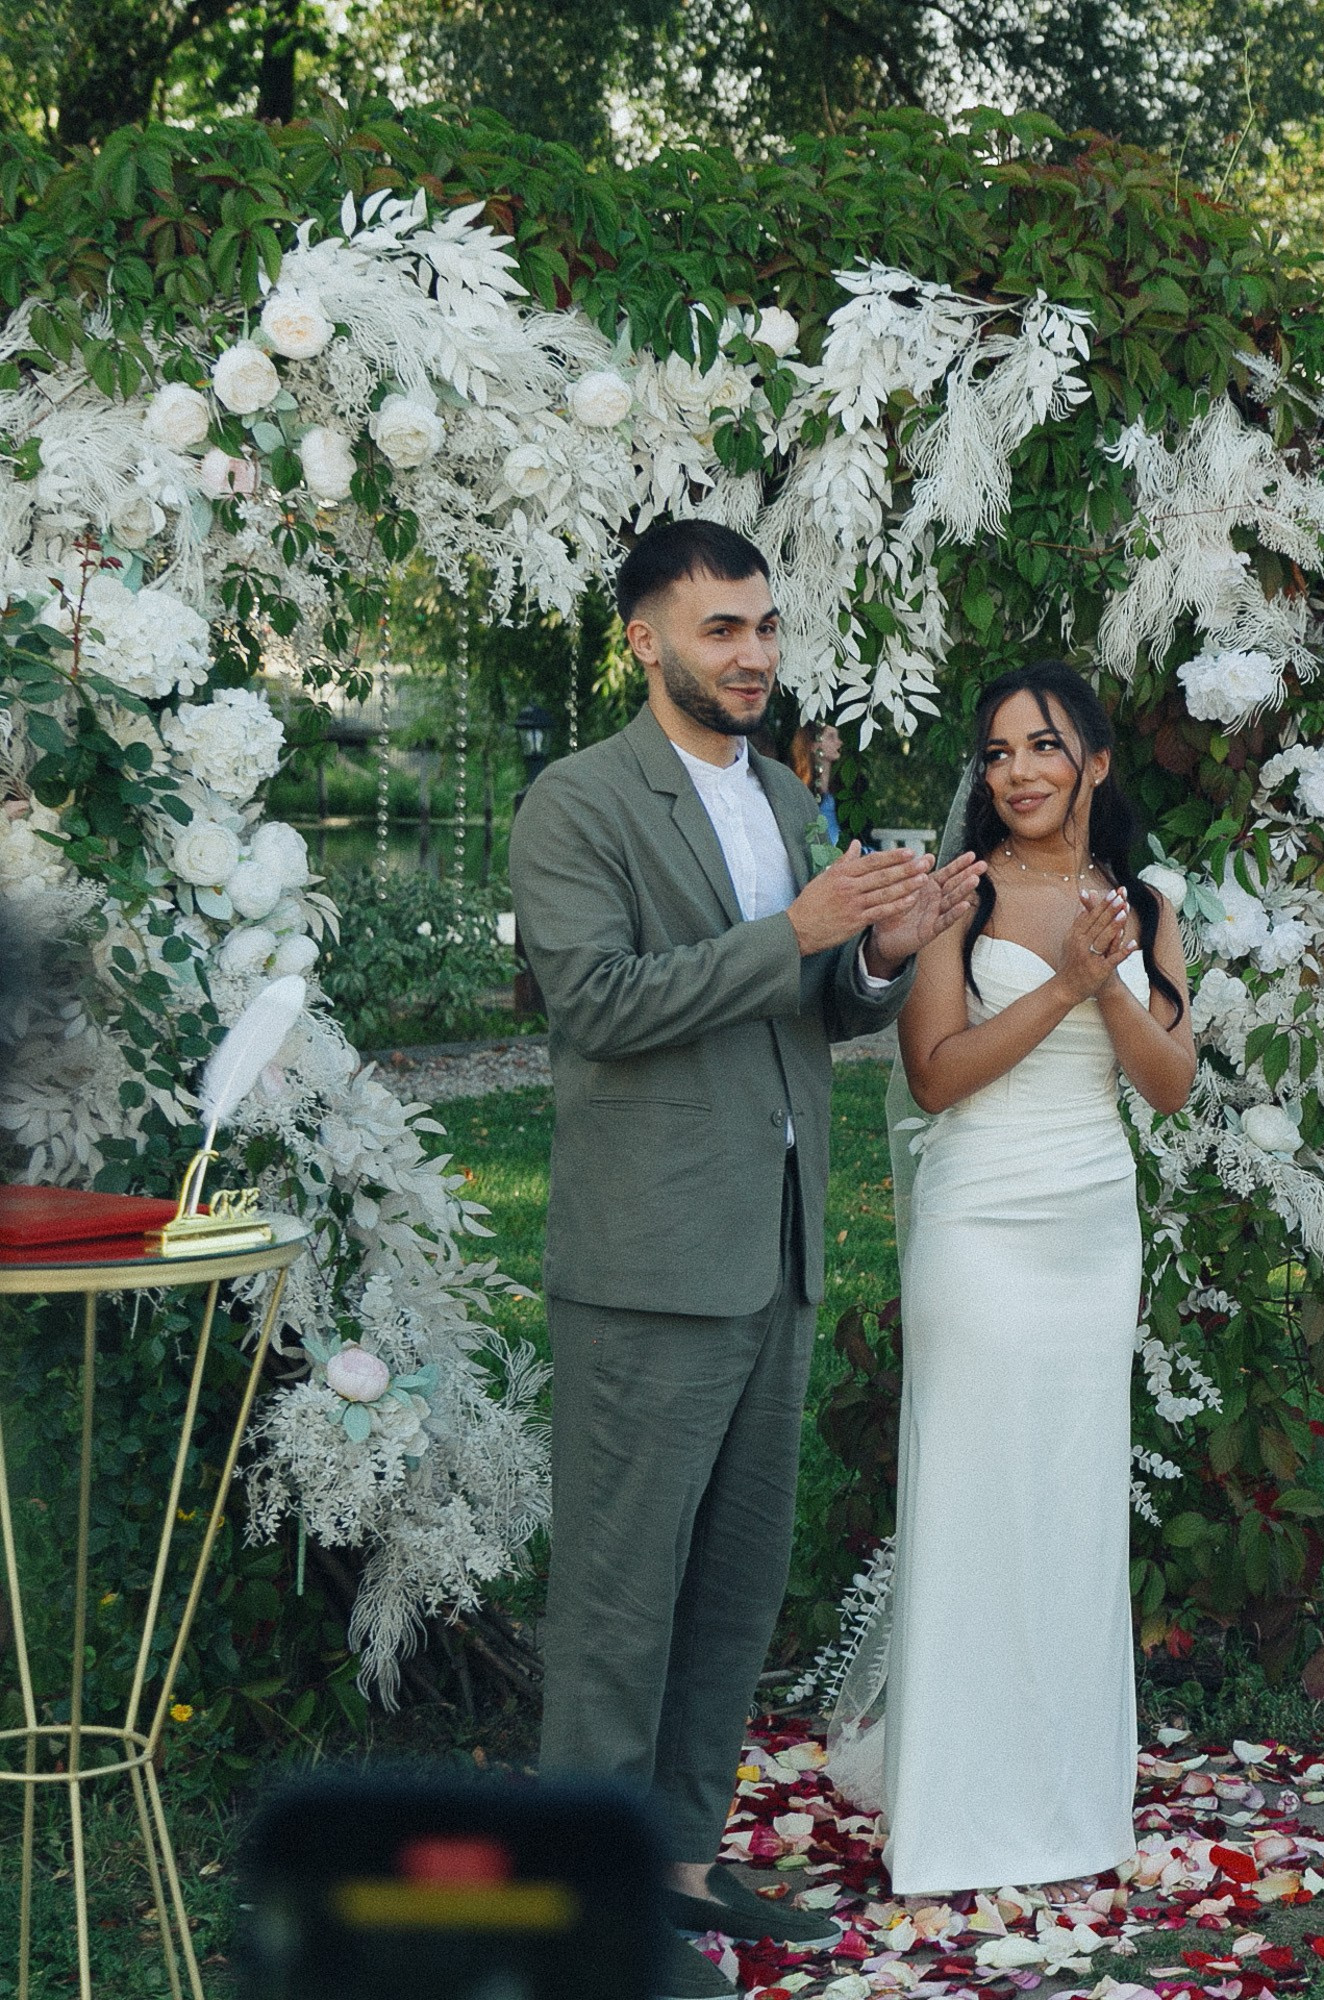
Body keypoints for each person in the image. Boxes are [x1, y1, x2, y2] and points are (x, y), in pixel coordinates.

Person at [510, 518, 981, 2000]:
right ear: (646, 640)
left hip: (773, 1250)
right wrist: (796, 928)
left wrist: (889, 951)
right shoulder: (576, 802)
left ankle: (682, 1865)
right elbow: (597, 1004)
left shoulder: (789, 794)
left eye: (765, 626)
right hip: (646, 1259)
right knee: (614, 1600)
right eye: (722, 629)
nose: (755, 654)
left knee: (730, 1586)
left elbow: (815, 1005)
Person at [866, 660, 1194, 1896]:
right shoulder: (958, 895)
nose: (1019, 772)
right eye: (997, 752)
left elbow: (1167, 1085)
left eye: (1044, 747)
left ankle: (1065, 1800)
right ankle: (953, 1813)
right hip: (979, 1220)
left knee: (1068, 1498)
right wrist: (1063, 978)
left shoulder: (1148, 905)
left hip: (1090, 1229)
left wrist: (1105, 974)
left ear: (1096, 763)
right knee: (970, 1494)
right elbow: (936, 1074)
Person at [791, 720, 844, 851]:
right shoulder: (799, 790)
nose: (839, 742)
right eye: (831, 737)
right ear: (814, 745)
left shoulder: (840, 788)